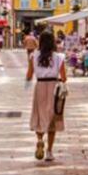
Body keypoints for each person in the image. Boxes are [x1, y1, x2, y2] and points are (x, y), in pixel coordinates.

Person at [28, 30, 66, 162]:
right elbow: (64, 77)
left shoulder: (34, 55)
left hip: (40, 86)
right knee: (52, 118)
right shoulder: (59, 57)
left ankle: (39, 139)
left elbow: (29, 75)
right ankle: (49, 151)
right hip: (54, 87)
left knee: (39, 116)